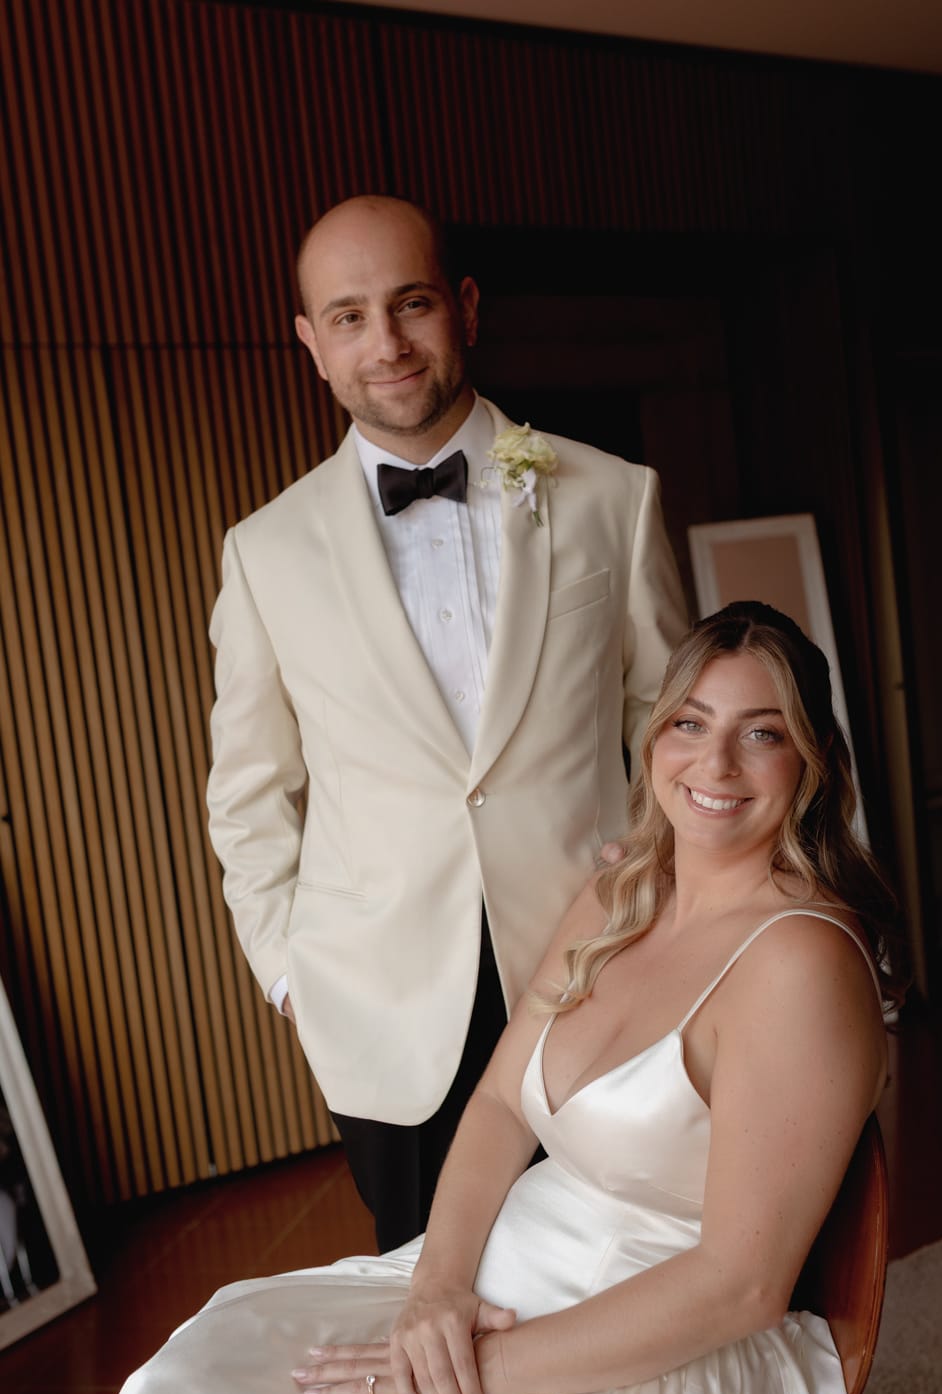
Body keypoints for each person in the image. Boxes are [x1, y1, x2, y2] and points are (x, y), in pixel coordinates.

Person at [62, 602, 902, 1394]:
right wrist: (435, 1295)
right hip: (491, 1282)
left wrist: (475, 1372)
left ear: (807, 762)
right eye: (689, 722)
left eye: (759, 733)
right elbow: (504, 1101)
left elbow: (737, 1284)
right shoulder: (619, 895)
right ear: (653, 738)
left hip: (660, 1348)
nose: (714, 764)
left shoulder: (798, 962)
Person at [206, 194, 688, 1250]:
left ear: (463, 307)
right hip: (380, 1012)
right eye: (346, 316)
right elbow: (247, 793)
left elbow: (670, 724)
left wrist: (669, 902)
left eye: (410, 302)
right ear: (311, 345)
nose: (384, 343)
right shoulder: (264, 551)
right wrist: (293, 976)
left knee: (624, 1263)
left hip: (595, 969)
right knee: (435, 1310)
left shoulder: (612, 496)